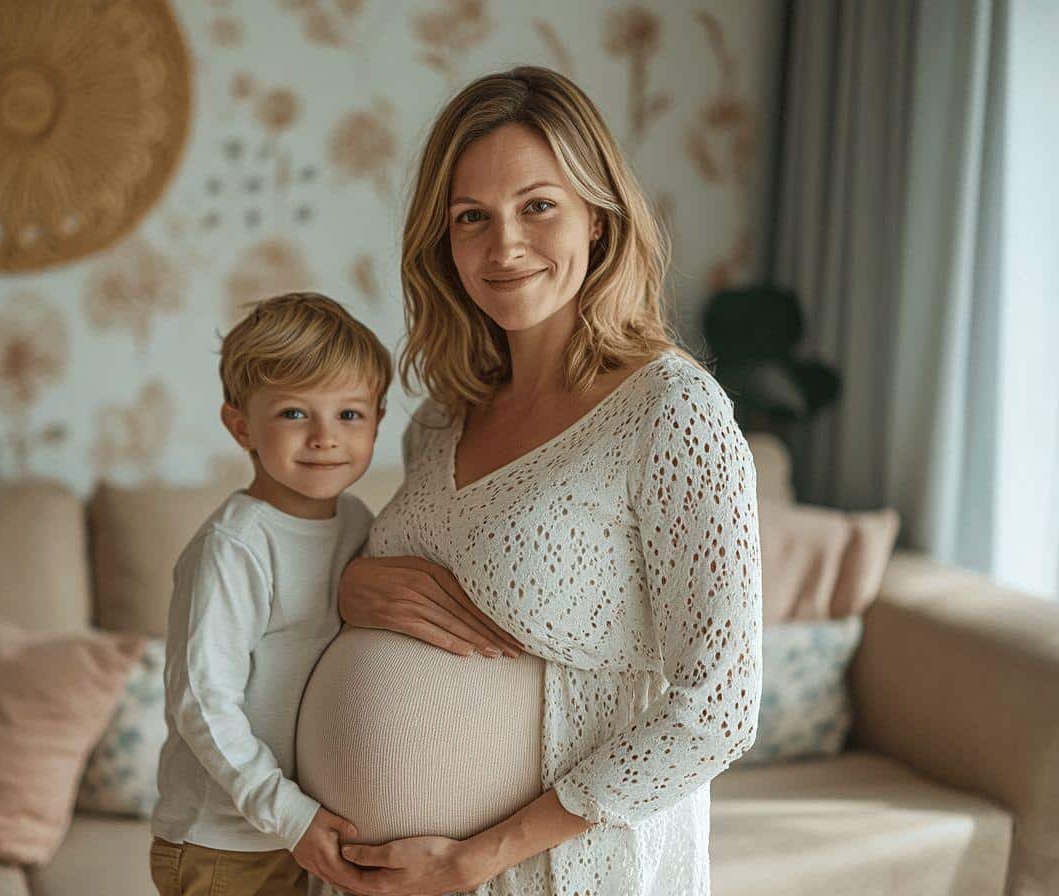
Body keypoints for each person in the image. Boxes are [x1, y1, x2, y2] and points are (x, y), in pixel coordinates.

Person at [302, 66, 764, 896]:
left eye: (537, 206)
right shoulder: (443, 416)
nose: (503, 245)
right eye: (471, 218)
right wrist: (353, 586)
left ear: (599, 217)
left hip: (539, 875)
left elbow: (719, 711)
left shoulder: (670, 410)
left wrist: (469, 860)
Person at [149, 292, 391, 896]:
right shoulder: (235, 545)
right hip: (225, 841)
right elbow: (203, 700)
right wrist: (288, 812)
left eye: (350, 415)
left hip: (301, 831)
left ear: (379, 421)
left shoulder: (361, 523)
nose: (324, 438)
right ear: (241, 427)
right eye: (293, 414)